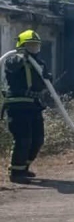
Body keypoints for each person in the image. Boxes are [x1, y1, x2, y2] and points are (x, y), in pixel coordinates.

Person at [2, 30, 52, 184]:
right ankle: (16, 173)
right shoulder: (13, 59)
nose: (33, 49)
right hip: (18, 106)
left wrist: (47, 78)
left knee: (38, 139)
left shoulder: (39, 63)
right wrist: (23, 56)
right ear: (22, 46)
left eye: (36, 46)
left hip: (34, 106)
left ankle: (23, 167)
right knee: (23, 139)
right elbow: (12, 67)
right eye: (30, 45)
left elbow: (44, 84)